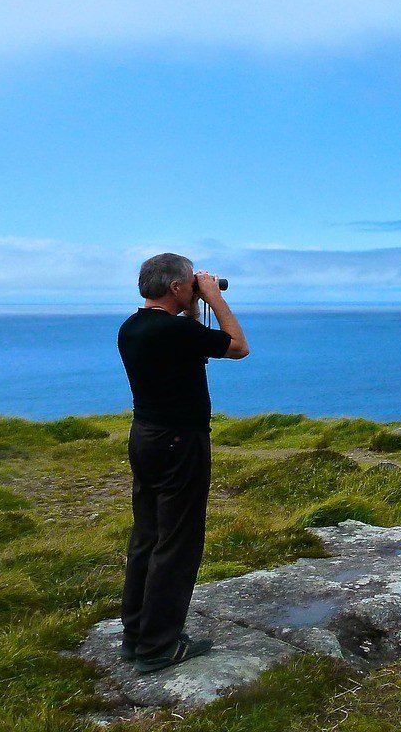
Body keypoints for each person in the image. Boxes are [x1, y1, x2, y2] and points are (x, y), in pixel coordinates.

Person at [116, 253, 250, 674]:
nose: (196, 285)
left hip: (146, 438)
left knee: (148, 535)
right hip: (180, 442)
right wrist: (215, 299)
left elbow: (189, 341)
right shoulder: (173, 332)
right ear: (176, 287)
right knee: (177, 541)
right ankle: (159, 645)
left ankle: (137, 633)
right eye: (189, 282)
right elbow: (238, 347)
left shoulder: (134, 328)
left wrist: (193, 306)